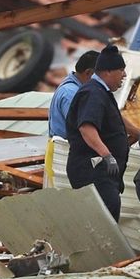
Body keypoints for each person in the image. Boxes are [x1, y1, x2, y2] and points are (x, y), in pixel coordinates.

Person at [65, 44, 140, 220]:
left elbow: (117, 118)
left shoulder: (101, 93)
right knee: (104, 217)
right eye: (121, 70)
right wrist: (107, 155)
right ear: (107, 72)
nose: (124, 75)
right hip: (92, 170)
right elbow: (86, 128)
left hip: (103, 172)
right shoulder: (92, 93)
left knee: (109, 212)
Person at [44, 50, 99, 187]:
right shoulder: (71, 94)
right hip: (63, 155)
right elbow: (81, 129)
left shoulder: (74, 87)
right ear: (88, 73)